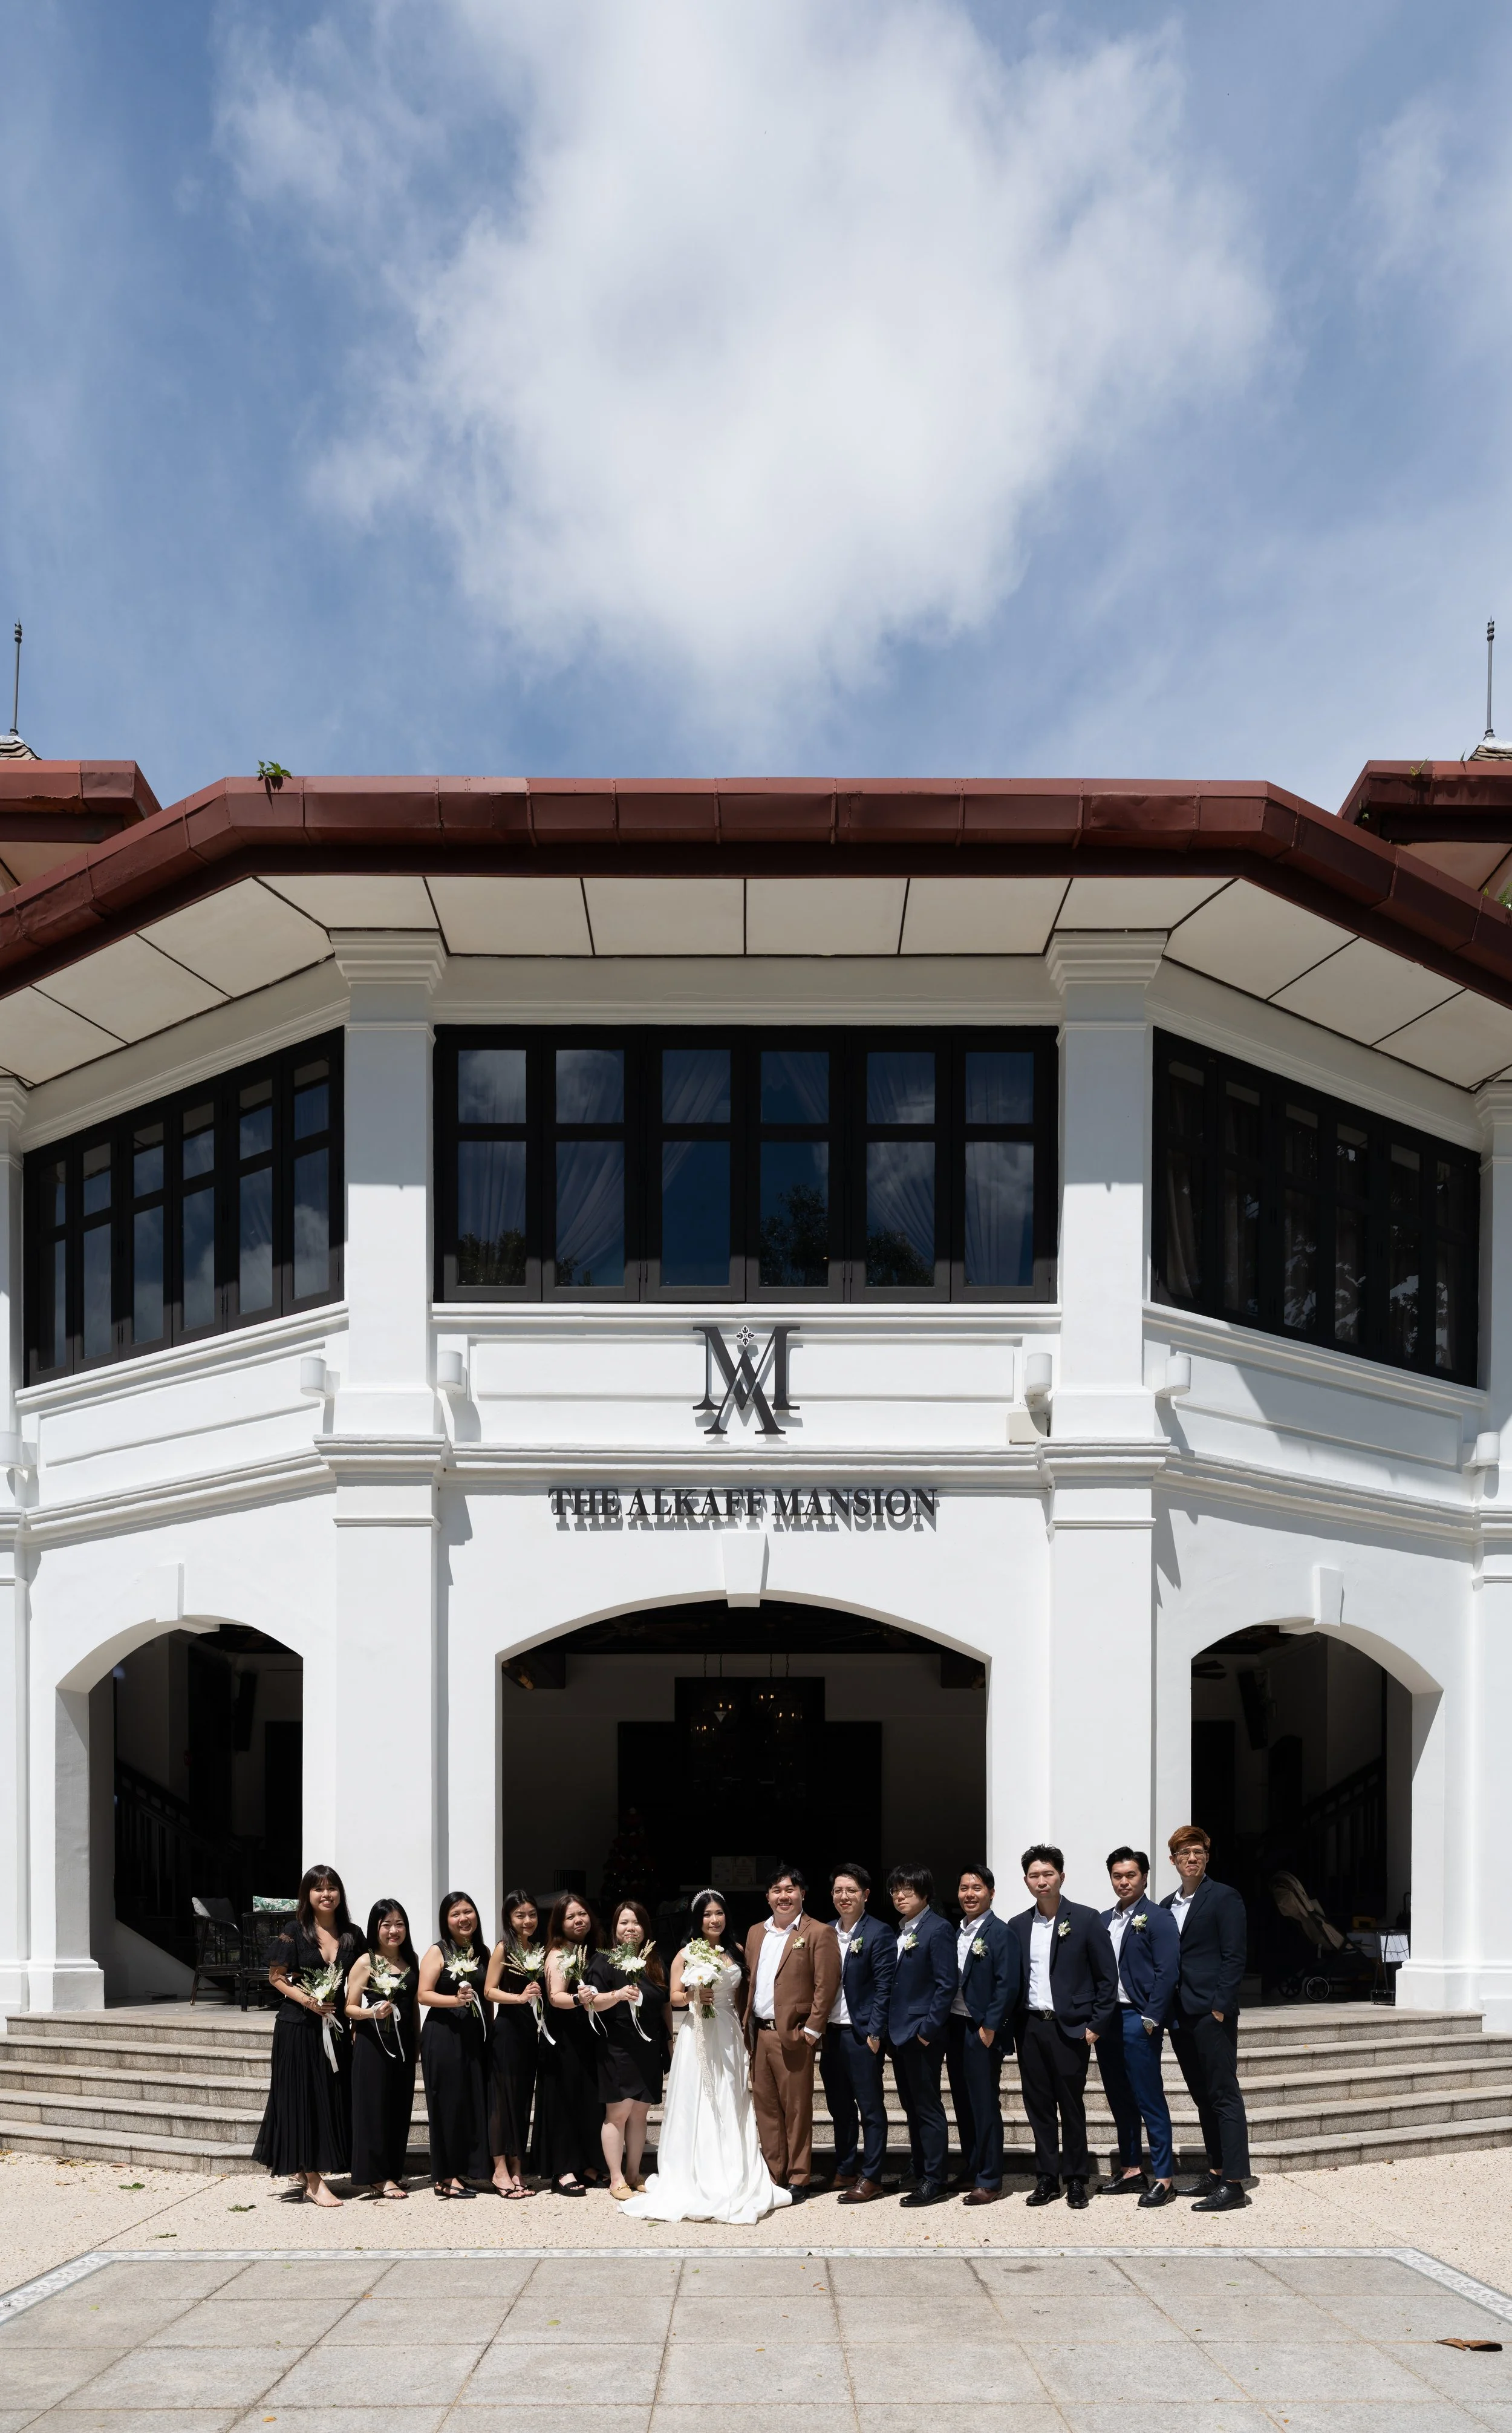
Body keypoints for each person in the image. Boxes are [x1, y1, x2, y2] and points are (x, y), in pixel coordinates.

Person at [625, 1889, 792, 2224]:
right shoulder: (686, 1954)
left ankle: (735, 2169)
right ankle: (696, 2173)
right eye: (706, 1915)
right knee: (698, 2097)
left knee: (732, 2096)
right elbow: (673, 1998)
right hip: (698, 2032)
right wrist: (693, 1994)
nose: (713, 1920)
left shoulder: (737, 1950)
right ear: (697, 1920)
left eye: (718, 1913)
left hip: (729, 2031)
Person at [1009, 1844, 1118, 2210]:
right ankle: (1046, 2178)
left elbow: (1107, 1978)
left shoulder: (1086, 1919)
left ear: (1061, 1877)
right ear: (1026, 1881)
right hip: (1030, 2026)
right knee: (1037, 2105)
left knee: (1071, 2106)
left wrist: (1096, 2025)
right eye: (1035, 1876)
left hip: (1071, 2029)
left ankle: (1075, 2178)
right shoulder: (1018, 1925)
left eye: (1048, 1874)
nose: (1042, 1881)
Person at [252, 1863, 360, 2207]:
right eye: (318, 1889)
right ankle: (313, 2180)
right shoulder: (294, 1931)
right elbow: (277, 1977)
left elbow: (361, 1980)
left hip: (337, 2030)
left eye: (332, 1888)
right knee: (302, 2099)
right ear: (308, 1895)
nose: (326, 1895)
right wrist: (309, 2001)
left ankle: (307, 2166)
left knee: (329, 2099)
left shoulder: (352, 1934)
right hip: (298, 2027)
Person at [1161, 1823, 1252, 2212]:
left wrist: (1220, 2005)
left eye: (1198, 1852)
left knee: (1223, 2094)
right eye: (1184, 1854)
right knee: (1201, 2095)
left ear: (1207, 1857)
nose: (1192, 1859)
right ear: (1174, 1861)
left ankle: (1234, 2182)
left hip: (1210, 2012)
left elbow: (1235, 1956)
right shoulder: (1166, 1906)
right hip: (1179, 2014)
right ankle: (1215, 2170)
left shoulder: (1224, 1898)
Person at [742, 1864, 840, 2197]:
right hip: (760, 2034)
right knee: (766, 2109)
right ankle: (775, 2174)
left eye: (790, 1890)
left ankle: (800, 2176)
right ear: (768, 1897)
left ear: (802, 1893)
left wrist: (812, 2030)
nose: (783, 1896)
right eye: (776, 1890)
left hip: (794, 2035)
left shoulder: (818, 1932)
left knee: (797, 2109)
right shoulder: (756, 1932)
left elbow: (826, 1985)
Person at [1095, 1846, 1181, 2209]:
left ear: (1144, 1877)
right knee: (1119, 2097)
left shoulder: (1158, 1918)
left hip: (1138, 2018)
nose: (1124, 1882)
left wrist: (1151, 2018)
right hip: (1107, 2020)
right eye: (1118, 1876)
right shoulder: (1102, 1920)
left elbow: (1168, 1972)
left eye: (1131, 1875)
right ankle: (1131, 2169)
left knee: (1149, 2098)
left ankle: (1163, 2177)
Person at [945, 1865, 1020, 2206]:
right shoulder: (955, 1932)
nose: (969, 1894)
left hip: (981, 2029)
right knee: (962, 2100)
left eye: (977, 1888)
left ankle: (990, 2178)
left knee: (985, 2103)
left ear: (991, 1892)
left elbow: (1008, 1984)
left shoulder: (1000, 1933)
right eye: (964, 1888)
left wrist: (990, 2027)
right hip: (955, 2026)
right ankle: (973, 2165)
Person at [884, 1864, 957, 2209]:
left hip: (921, 2035)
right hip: (898, 2034)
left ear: (925, 1895)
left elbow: (946, 1984)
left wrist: (928, 2031)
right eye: (896, 1890)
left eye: (908, 1891)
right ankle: (919, 2166)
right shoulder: (900, 1930)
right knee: (911, 2106)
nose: (900, 1896)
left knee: (928, 2107)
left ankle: (935, 2179)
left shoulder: (938, 1929)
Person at [821, 1861, 895, 2205]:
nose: (844, 1896)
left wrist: (876, 2032)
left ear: (866, 1895)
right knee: (839, 2107)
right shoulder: (825, 1932)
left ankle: (873, 2176)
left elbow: (885, 1987)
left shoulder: (879, 1933)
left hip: (862, 2034)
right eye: (838, 1890)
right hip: (832, 2033)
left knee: (870, 2108)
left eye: (851, 1890)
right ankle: (846, 2168)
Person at [586, 1898, 670, 2199]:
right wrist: (619, 1994)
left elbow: (664, 2004)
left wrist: (669, 2041)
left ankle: (634, 2173)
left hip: (649, 2046)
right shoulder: (601, 1961)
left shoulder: (654, 1961)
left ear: (645, 1928)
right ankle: (616, 2178)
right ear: (615, 1928)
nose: (630, 1928)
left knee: (639, 2113)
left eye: (636, 1922)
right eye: (624, 1923)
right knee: (618, 2113)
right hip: (617, 2045)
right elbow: (591, 2002)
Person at [419, 1889, 492, 2199]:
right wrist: (454, 2000)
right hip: (444, 2035)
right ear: (445, 1921)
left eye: (468, 1912)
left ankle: (466, 2170)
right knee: (447, 2104)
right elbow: (423, 1994)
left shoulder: (483, 1952)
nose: (464, 1919)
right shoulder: (439, 1951)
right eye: (455, 1914)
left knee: (470, 2104)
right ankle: (445, 2178)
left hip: (475, 2036)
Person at [530, 1891, 605, 2194]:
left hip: (587, 2039)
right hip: (563, 2038)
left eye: (582, 1914)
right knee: (564, 2101)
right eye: (570, 1916)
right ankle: (562, 2169)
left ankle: (587, 2163)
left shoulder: (590, 1950)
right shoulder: (560, 1953)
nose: (578, 1920)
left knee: (586, 2100)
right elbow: (555, 1996)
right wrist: (578, 1998)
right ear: (559, 1923)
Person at [345, 1896, 420, 2199]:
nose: (393, 1930)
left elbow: (413, 2005)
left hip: (402, 2045)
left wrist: (417, 2042)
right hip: (373, 2044)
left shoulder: (411, 1959)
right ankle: (376, 2177)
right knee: (374, 2109)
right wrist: (371, 2013)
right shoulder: (366, 1962)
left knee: (399, 2109)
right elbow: (349, 2008)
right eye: (386, 1924)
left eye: (399, 1924)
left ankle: (392, 2171)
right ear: (375, 1928)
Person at [484, 1888, 545, 2199]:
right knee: (502, 2102)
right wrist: (519, 1998)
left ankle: (518, 2166)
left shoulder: (537, 1949)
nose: (527, 1920)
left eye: (532, 1914)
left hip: (529, 2034)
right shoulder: (503, 1948)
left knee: (522, 2102)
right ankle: (499, 2170)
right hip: (506, 2031)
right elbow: (489, 1991)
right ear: (509, 1917)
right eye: (520, 1915)